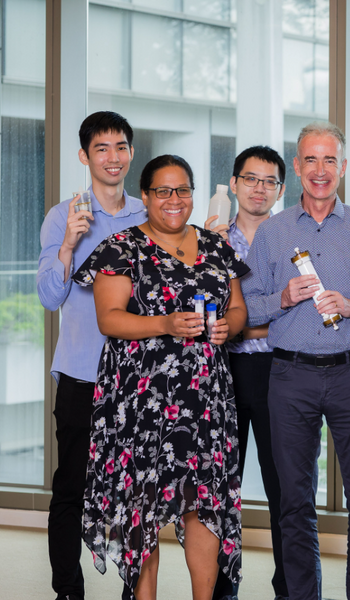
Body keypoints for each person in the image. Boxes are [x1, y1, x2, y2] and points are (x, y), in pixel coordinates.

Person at [74, 154, 247, 600]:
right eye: (163, 191)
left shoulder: (216, 246)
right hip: (142, 399)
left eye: (183, 190)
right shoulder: (120, 247)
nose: (174, 199)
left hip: (206, 397)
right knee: (143, 507)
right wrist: (165, 324)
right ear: (146, 195)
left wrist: (229, 326)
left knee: (204, 502)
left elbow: (237, 307)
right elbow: (109, 319)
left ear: (193, 194)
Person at [241, 122, 350, 600]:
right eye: (311, 160)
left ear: (343, 167)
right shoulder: (272, 232)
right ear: (297, 166)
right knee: (294, 503)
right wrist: (281, 298)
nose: (320, 170)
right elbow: (245, 308)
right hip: (290, 375)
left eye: (330, 160)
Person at [37, 111, 147, 600]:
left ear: (131, 153)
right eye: (101, 148)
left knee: (137, 491)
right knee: (71, 489)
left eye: (120, 147)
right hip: (83, 374)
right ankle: (68, 589)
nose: (112, 157)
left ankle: (135, 588)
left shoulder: (148, 214)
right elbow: (49, 298)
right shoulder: (64, 215)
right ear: (84, 156)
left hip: (140, 378)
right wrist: (68, 244)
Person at [211, 145, 288, 600]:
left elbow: (302, 313)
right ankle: (223, 589)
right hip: (224, 370)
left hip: (280, 369)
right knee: (222, 487)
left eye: (269, 181)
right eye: (251, 179)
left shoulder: (292, 235)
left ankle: (291, 589)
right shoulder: (210, 237)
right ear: (235, 183)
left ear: (281, 189)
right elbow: (208, 314)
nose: (259, 189)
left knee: (286, 489)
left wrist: (241, 322)